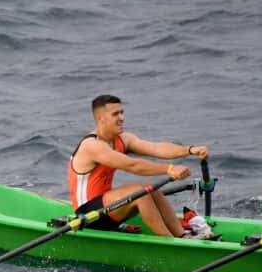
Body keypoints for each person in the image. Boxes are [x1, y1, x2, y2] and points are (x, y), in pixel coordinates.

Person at [69, 94, 210, 238]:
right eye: (115, 114)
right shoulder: (92, 146)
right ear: (101, 119)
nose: (122, 118)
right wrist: (169, 169)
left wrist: (189, 150)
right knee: (140, 193)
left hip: (108, 209)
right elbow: (132, 165)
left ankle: (182, 236)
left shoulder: (123, 139)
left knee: (151, 188)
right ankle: (169, 242)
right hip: (87, 216)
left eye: (122, 112)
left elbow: (156, 148)